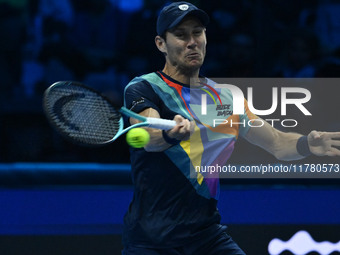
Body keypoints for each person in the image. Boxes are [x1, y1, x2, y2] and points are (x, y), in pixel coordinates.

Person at [122, 2, 340, 254]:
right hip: (151, 241)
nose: (192, 42)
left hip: (207, 236)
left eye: (197, 32)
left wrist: (308, 144)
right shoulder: (143, 87)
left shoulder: (228, 96)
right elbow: (148, 137)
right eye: (181, 35)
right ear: (161, 43)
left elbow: (278, 144)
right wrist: (170, 134)